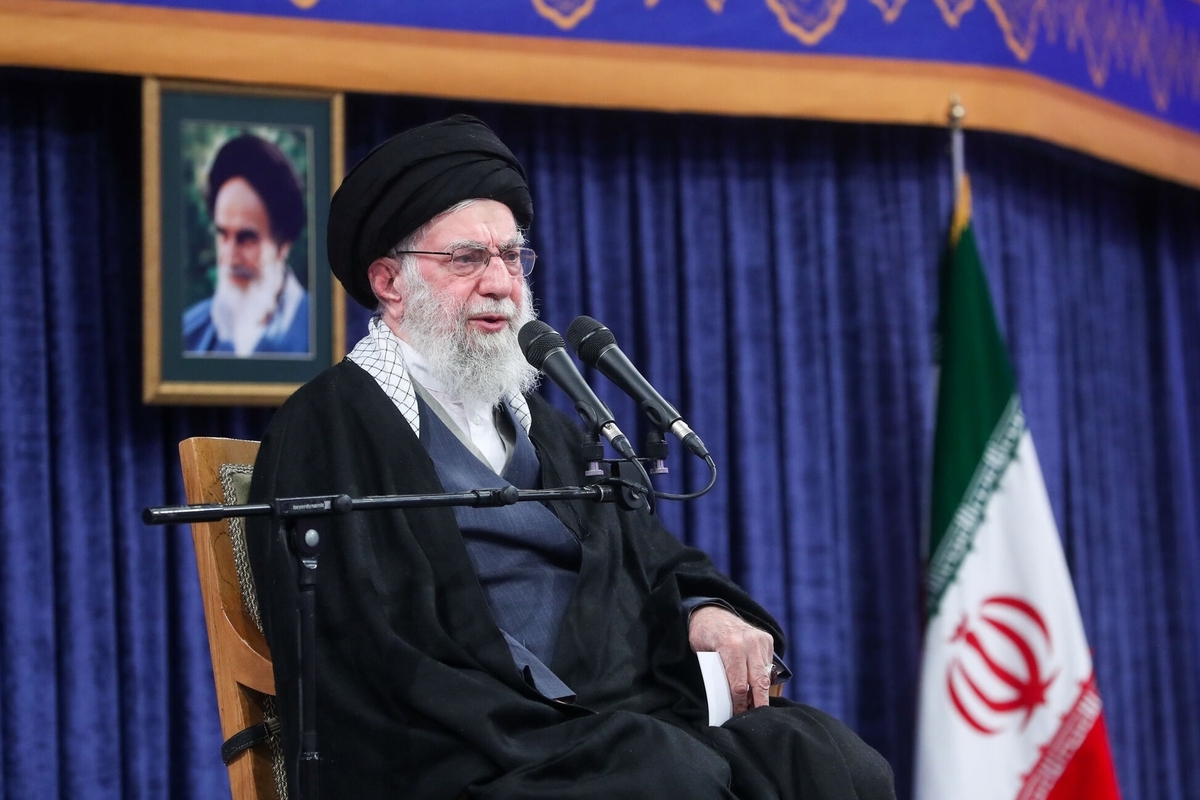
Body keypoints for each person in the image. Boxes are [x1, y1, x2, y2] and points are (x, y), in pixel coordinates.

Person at [247, 114, 895, 799]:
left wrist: (706, 610)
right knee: (667, 776)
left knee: (830, 762)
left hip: (615, 722)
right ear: (389, 281)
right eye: (467, 259)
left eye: (511, 257)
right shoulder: (329, 426)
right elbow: (358, 641)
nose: (501, 283)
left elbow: (652, 560)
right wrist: (538, 721)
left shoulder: (554, 431)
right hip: (468, 745)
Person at [183, 134, 310, 356]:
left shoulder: (323, 333)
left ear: (283, 244)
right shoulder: (189, 333)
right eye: (223, 235)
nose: (230, 256)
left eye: (246, 238)